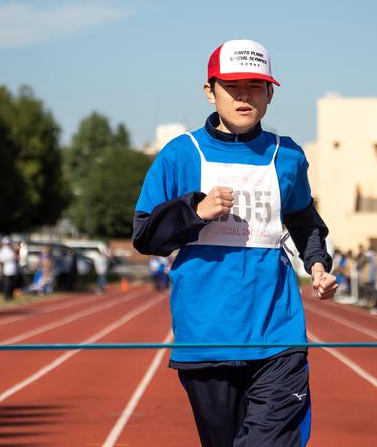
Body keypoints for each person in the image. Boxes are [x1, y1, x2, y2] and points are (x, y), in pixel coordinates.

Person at [132, 39, 336, 447]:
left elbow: (302, 218)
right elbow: (144, 236)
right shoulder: (179, 155)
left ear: (270, 94)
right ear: (210, 91)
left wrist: (316, 263)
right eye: (232, 85)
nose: (244, 95)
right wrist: (196, 211)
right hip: (206, 337)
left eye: (255, 86)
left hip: (278, 335)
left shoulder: (288, 156)